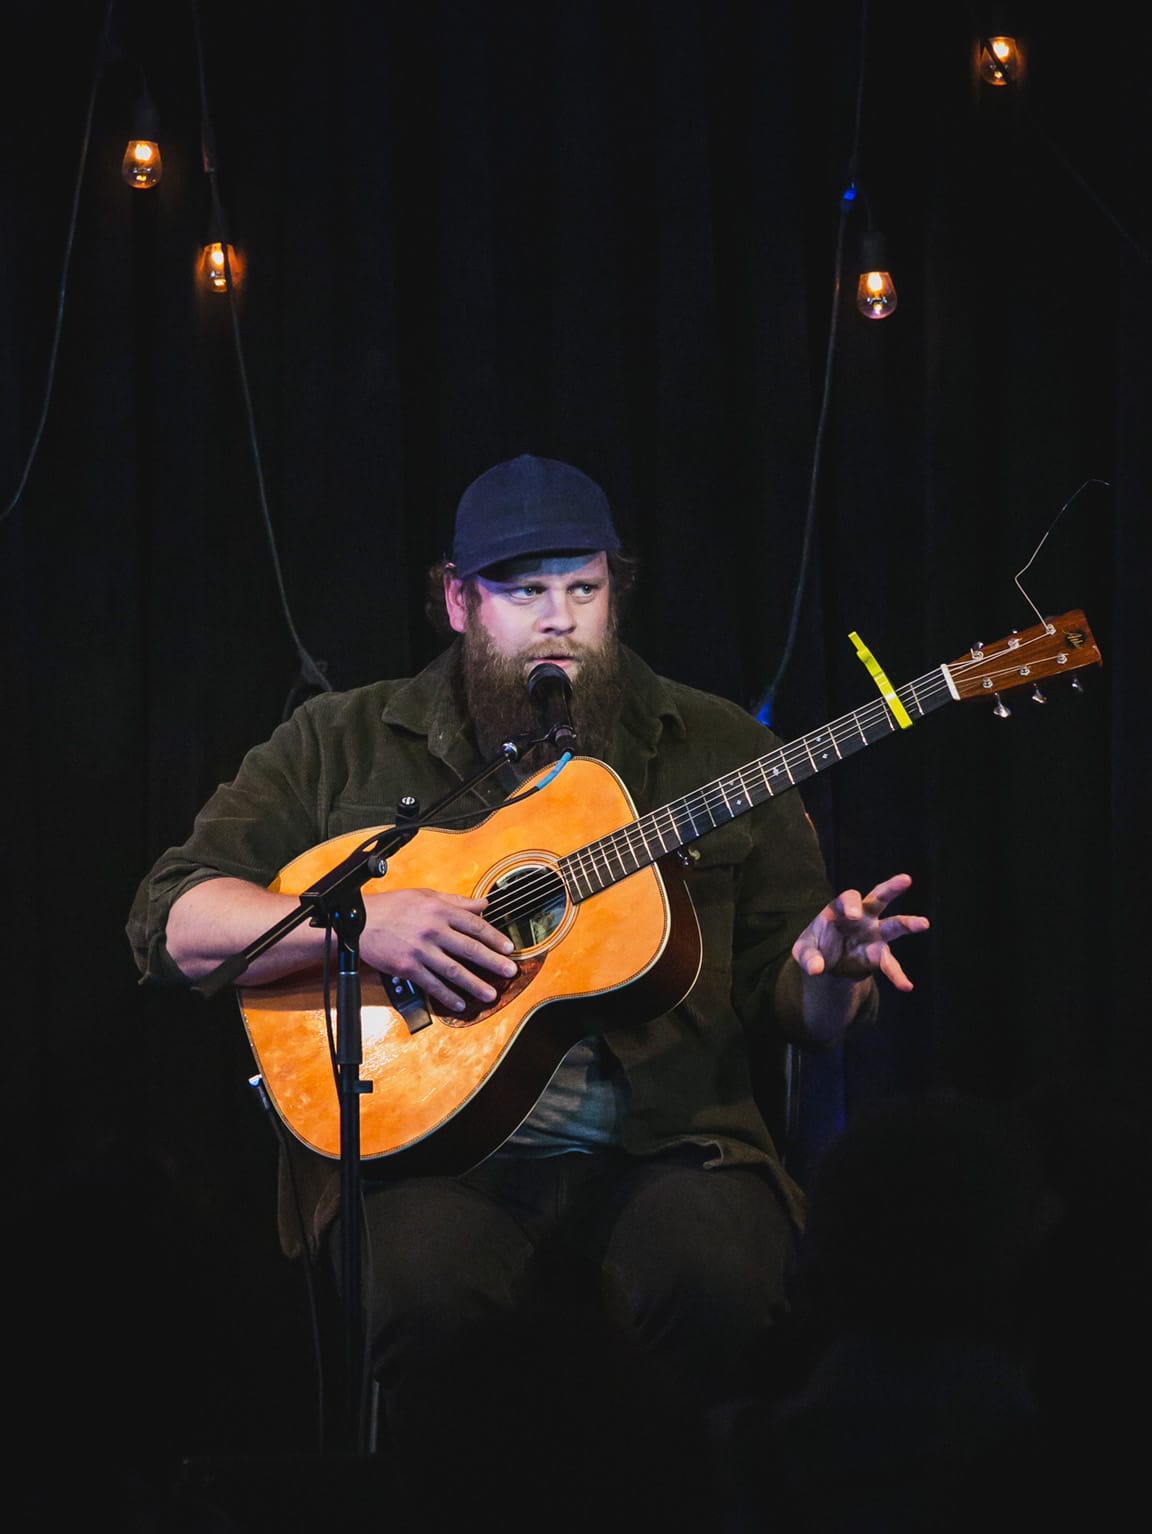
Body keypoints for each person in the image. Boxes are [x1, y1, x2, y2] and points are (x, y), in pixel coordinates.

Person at [127, 453, 929, 1436]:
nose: (558, 618)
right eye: (523, 591)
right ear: (460, 603)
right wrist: (368, 919)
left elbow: (798, 1007)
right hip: (420, 1161)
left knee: (722, 1284)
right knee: (429, 1299)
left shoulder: (718, 747)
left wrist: (832, 974)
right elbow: (175, 920)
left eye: (582, 589)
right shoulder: (340, 742)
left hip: (670, 1150)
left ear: (613, 594)